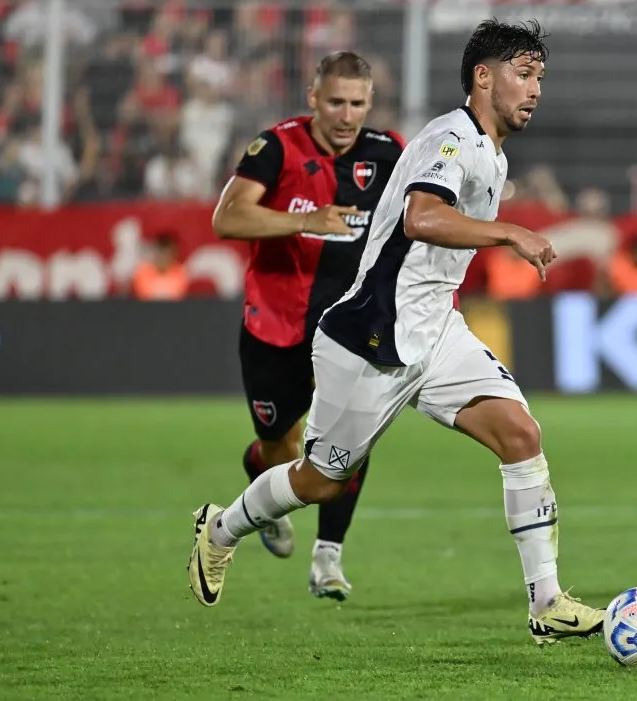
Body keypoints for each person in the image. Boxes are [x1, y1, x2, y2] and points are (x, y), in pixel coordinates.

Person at [189, 19, 605, 645]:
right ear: (483, 77)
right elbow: (421, 215)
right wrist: (508, 232)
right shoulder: (451, 137)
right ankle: (219, 529)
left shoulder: (491, 150)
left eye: (540, 77)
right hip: (371, 338)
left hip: (437, 328)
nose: (535, 89)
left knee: (521, 434)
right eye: (524, 74)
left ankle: (546, 602)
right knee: (320, 480)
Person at [208, 51, 406, 600]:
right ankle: (262, 478)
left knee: (349, 441)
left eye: (358, 104)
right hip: (275, 325)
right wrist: (305, 221)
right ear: (314, 98)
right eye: (336, 102)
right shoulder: (276, 147)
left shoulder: (388, 152)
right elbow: (226, 218)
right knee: (278, 445)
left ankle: (329, 558)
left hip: (347, 327)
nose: (347, 116)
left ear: (370, 103)